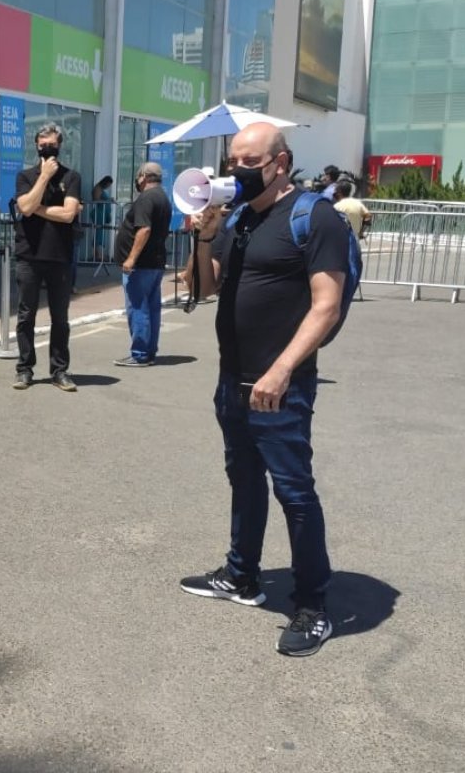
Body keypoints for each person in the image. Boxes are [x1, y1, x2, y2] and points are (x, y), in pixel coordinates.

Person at [182, 122, 350, 657]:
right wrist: (205, 233)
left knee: (294, 492)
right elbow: (204, 289)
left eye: (249, 161)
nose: (237, 171)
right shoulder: (234, 220)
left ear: (281, 162)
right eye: (233, 161)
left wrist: (281, 370)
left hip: (281, 385)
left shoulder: (314, 218)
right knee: (244, 480)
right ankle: (242, 576)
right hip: (232, 381)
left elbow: (326, 303)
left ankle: (312, 606)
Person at [12, 123, 81, 392]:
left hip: (59, 256)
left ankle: (59, 371)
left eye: (51, 144)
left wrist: (35, 207)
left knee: (60, 318)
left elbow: (67, 214)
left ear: (60, 145)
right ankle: (24, 368)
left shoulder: (72, 177)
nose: (47, 148)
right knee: (26, 315)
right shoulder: (25, 176)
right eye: (42, 144)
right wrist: (43, 178)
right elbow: (24, 207)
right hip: (29, 255)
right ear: (36, 146)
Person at [113, 161, 172, 368]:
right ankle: (149, 351)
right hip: (154, 263)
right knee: (152, 308)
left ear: (144, 177)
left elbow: (144, 229)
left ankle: (140, 353)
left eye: (138, 177)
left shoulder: (147, 198)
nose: (137, 181)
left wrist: (131, 258)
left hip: (141, 265)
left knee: (138, 308)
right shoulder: (163, 197)